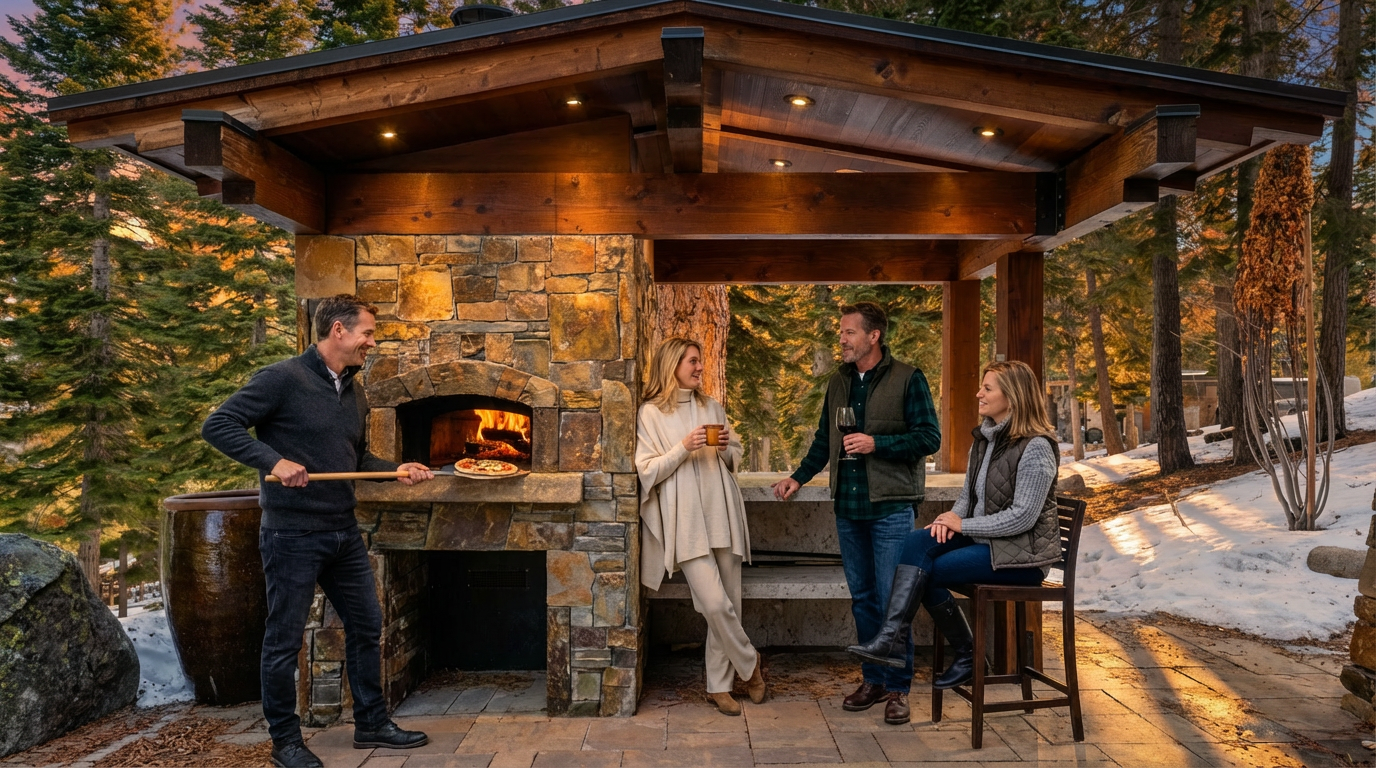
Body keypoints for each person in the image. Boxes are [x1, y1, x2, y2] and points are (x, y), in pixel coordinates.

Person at [202, 294, 436, 768]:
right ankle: (285, 742)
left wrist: (395, 470)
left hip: (342, 530)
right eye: (367, 333)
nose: (372, 342)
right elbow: (218, 424)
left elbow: (356, 457)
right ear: (338, 331)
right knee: (283, 640)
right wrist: (274, 461)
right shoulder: (281, 379)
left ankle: (371, 723)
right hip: (292, 534)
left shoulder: (354, 390)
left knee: (367, 625)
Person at [771, 302, 940, 726]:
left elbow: (928, 437)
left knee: (892, 602)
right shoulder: (839, 381)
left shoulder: (909, 378)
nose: (842, 339)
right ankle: (874, 680)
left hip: (891, 508)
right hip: (848, 508)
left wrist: (877, 444)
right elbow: (824, 439)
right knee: (863, 600)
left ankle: (898, 689)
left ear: (873, 336)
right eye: (842, 332)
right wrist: (798, 477)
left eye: (849, 332)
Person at [847, 360, 1062, 693]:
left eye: (987, 388)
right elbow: (967, 497)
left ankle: (966, 652)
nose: (979, 394)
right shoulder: (985, 440)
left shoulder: (1037, 447)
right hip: (989, 544)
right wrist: (947, 521)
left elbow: (1023, 516)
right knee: (917, 542)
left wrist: (964, 524)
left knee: (927, 572)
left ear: (1013, 396)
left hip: (1023, 557)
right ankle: (892, 639)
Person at [636, 338, 765, 716]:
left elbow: (734, 455)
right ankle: (751, 664)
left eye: (700, 361)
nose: (700, 368)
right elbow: (647, 471)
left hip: (722, 510)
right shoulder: (651, 414)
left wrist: (724, 447)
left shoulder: (711, 406)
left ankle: (719, 686)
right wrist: (684, 446)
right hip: (686, 519)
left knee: (730, 604)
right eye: (692, 361)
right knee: (714, 603)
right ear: (672, 364)